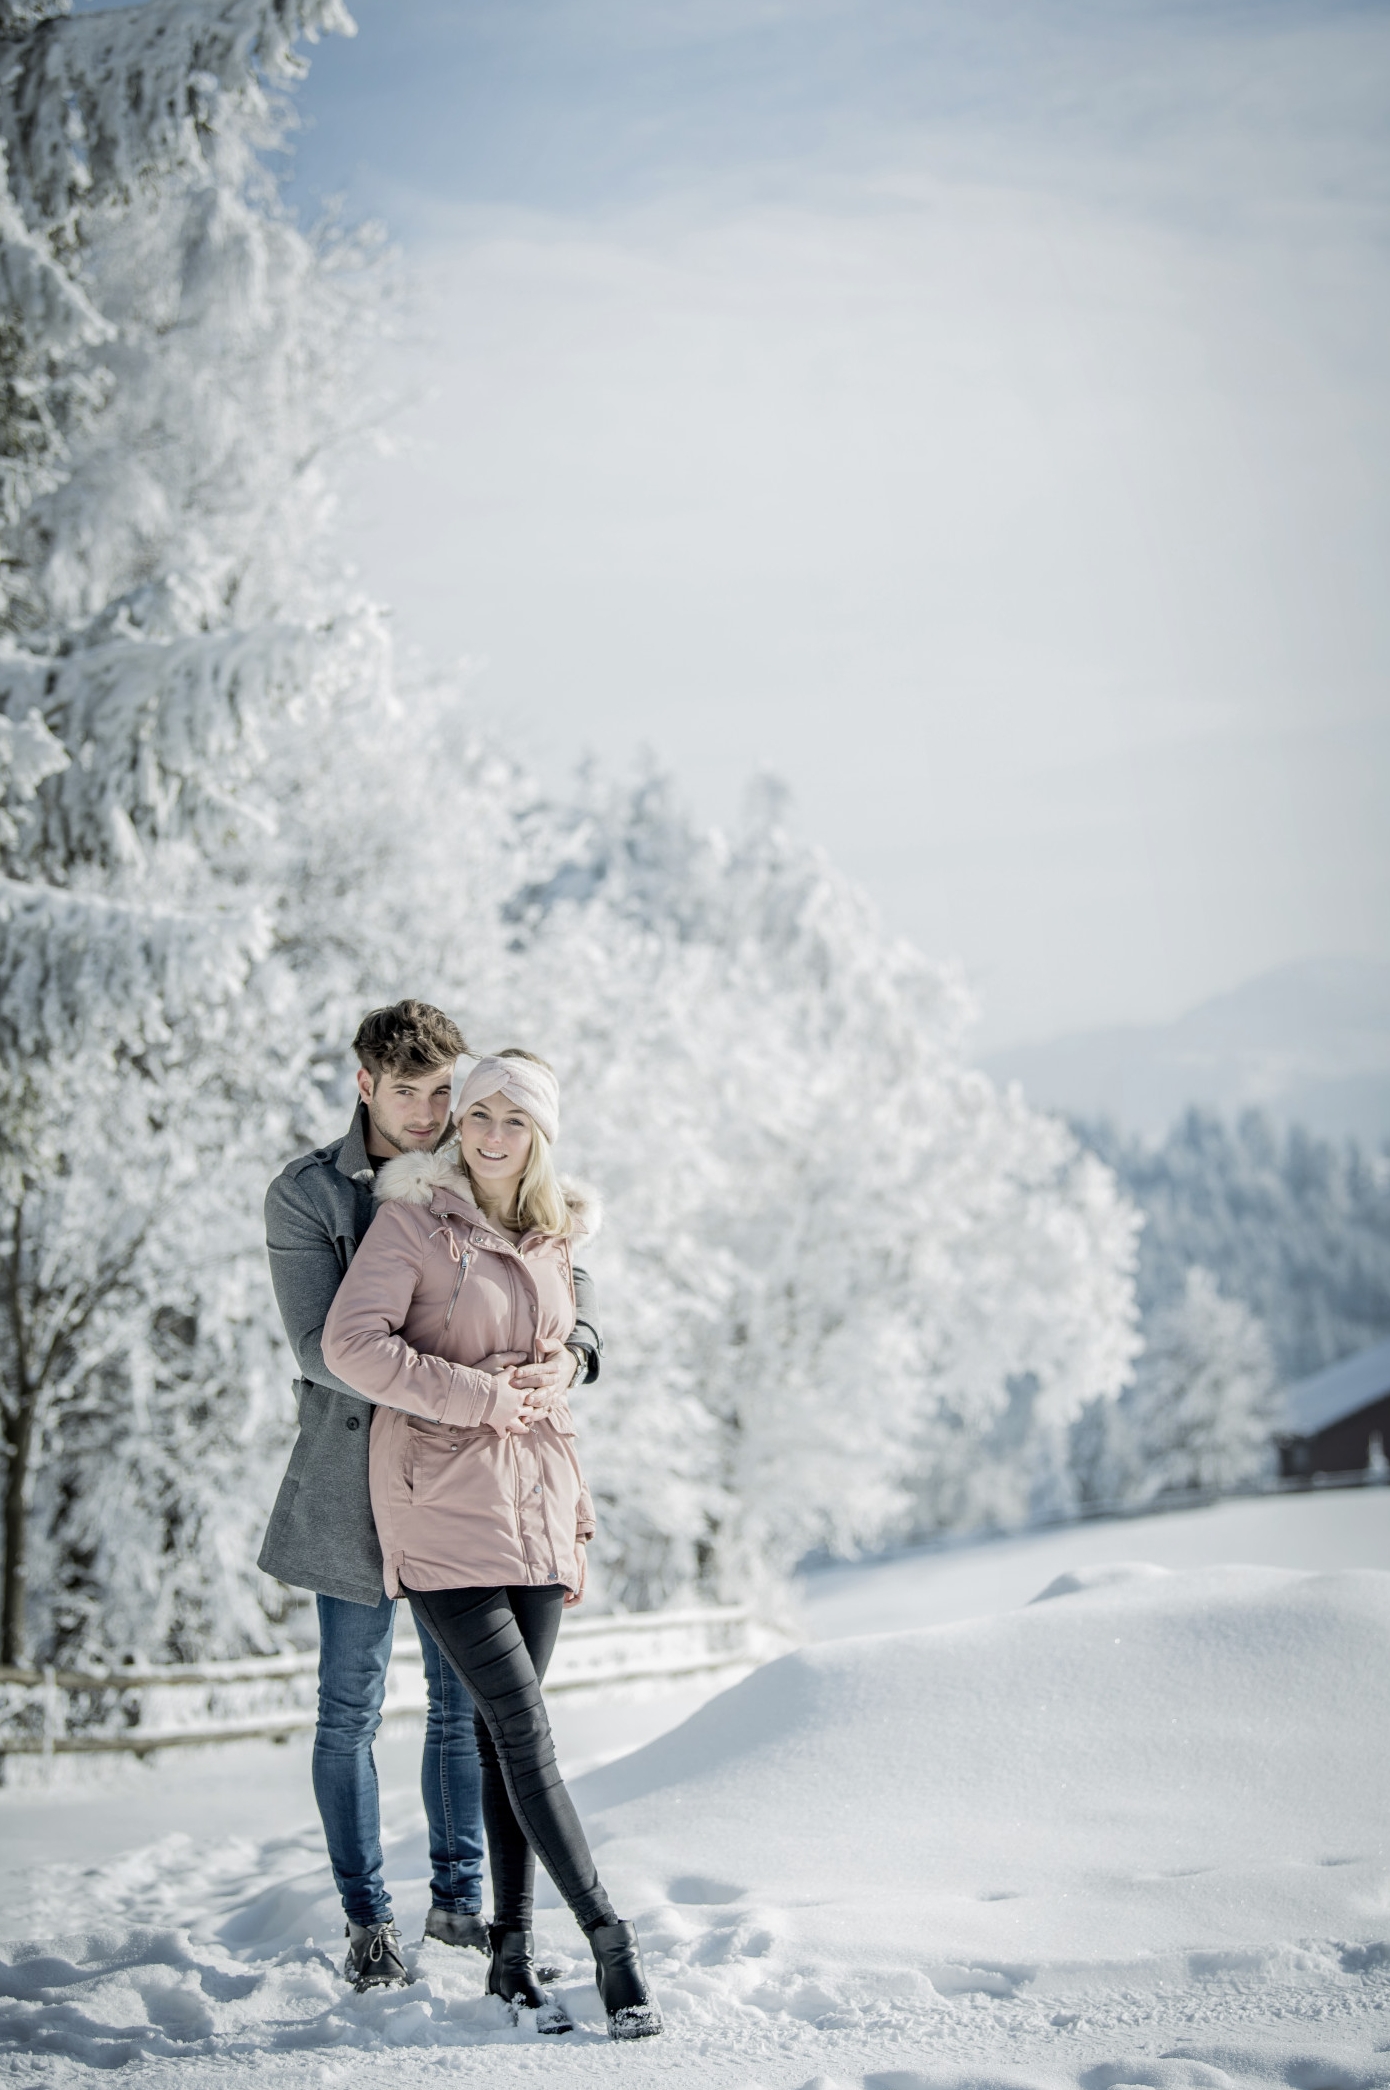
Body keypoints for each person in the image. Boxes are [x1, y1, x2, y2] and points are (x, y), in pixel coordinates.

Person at [258, 1003, 602, 1993]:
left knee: (463, 1707)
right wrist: (474, 1381)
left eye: (440, 1092)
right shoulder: (309, 1193)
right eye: (406, 1092)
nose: (429, 1112)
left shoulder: (482, 1158)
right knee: (349, 1706)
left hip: (465, 1479)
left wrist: (572, 1354)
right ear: (364, 1084)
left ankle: (461, 1899)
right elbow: (322, 1348)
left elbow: (560, 1270)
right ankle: (367, 1916)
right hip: (353, 1472)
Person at [320, 1050, 662, 2042]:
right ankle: (609, 1938)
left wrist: (563, 1362)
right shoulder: (414, 1222)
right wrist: (475, 1393)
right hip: (440, 1504)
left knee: (493, 1736)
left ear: (541, 1133)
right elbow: (353, 1343)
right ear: (459, 1127)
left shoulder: (553, 1234)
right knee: (522, 1728)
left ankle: (509, 1954)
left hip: (537, 1504)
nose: (492, 1134)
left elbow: (568, 1335)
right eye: (477, 1116)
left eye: (514, 1118)